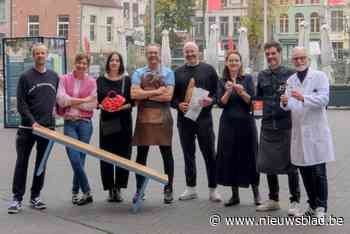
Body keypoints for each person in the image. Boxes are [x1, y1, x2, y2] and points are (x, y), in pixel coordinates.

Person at [281, 47, 335, 219]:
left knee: (319, 172)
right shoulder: (290, 80)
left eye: (302, 57)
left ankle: (321, 208)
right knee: (305, 171)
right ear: (292, 61)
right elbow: (289, 104)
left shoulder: (319, 76)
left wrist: (303, 98)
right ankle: (312, 205)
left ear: (308, 59)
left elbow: (324, 99)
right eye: (296, 58)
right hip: (299, 133)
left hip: (316, 132)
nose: (299, 61)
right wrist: (284, 102)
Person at [8, 44, 59, 214]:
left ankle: (35, 196)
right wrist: (32, 122)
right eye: (37, 53)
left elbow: (58, 101)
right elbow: (21, 104)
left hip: (47, 129)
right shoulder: (25, 77)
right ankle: (17, 199)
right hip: (27, 129)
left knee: (41, 164)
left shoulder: (54, 76)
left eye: (43, 53)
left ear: (47, 55)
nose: (40, 55)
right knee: (22, 163)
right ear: (33, 56)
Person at [172, 41, 221, 202]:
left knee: (209, 154)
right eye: (187, 52)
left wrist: (211, 100)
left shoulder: (209, 70)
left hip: (204, 119)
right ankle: (191, 188)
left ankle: (213, 189)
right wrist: (178, 104)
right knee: (188, 154)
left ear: (198, 52)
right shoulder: (177, 72)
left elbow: (218, 91)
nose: (190, 54)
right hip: (185, 119)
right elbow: (171, 97)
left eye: (192, 51)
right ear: (184, 53)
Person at [255, 41, 301, 216]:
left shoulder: (291, 74)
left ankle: (295, 201)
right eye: (267, 54)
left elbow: (297, 98)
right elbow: (258, 98)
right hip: (267, 125)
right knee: (268, 164)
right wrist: (256, 113)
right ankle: (273, 199)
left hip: (286, 125)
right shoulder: (262, 75)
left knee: (291, 164)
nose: (270, 57)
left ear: (280, 54)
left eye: (273, 53)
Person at [131, 44, 175, 204]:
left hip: (163, 119)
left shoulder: (168, 72)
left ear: (159, 54)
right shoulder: (138, 72)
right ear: (146, 55)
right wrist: (156, 92)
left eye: (155, 52)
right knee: (141, 155)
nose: (152, 55)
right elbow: (134, 93)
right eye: (150, 53)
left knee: (167, 154)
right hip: (144, 119)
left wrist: (145, 95)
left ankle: (168, 189)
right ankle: (139, 190)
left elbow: (168, 97)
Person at [216, 51, 261, 206]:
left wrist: (242, 92)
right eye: (231, 60)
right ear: (226, 63)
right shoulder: (222, 81)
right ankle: (235, 195)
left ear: (241, 63)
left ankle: (256, 194)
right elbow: (220, 103)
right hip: (228, 125)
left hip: (246, 124)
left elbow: (253, 101)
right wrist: (228, 91)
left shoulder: (247, 79)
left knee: (251, 157)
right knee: (230, 157)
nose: (233, 63)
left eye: (236, 60)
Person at [56, 53, 97, 206]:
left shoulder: (92, 82)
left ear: (87, 65)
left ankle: (75, 192)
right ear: (75, 63)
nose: (81, 65)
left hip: (85, 124)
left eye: (84, 63)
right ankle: (86, 191)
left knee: (81, 159)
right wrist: (83, 100)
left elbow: (92, 105)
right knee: (74, 158)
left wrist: (71, 102)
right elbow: (60, 100)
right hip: (70, 123)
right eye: (79, 62)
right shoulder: (64, 79)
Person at [97, 52, 133, 202]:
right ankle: (110, 188)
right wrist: (103, 106)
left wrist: (119, 108)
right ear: (108, 63)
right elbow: (97, 101)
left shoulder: (127, 80)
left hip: (124, 121)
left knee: (123, 155)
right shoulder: (100, 80)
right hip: (107, 121)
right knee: (106, 155)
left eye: (117, 60)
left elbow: (132, 102)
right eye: (112, 60)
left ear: (121, 63)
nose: (114, 63)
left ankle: (118, 187)